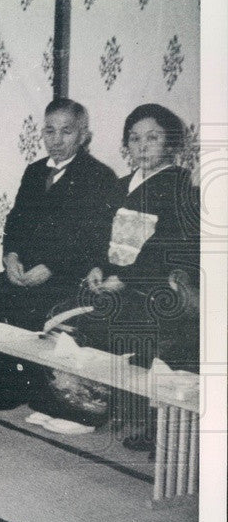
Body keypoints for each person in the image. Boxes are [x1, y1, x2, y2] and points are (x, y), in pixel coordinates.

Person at [33, 104, 200, 450]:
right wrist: (97, 266)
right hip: (115, 281)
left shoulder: (183, 187)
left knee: (101, 322)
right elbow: (99, 238)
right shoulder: (120, 186)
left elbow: (169, 246)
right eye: (135, 139)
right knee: (61, 315)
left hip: (155, 287)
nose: (142, 146)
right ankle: (67, 402)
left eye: (152, 138)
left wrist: (126, 279)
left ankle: (86, 413)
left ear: (170, 144)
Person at [0, 98, 121, 409]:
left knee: (30, 312)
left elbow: (95, 237)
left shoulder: (99, 176)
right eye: (49, 131)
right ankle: (0, 378)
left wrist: (51, 268)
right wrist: (11, 258)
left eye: (66, 132)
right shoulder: (34, 171)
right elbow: (16, 221)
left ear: (83, 135)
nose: (56, 140)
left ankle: (30, 385)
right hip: (25, 271)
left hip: (67, 276)